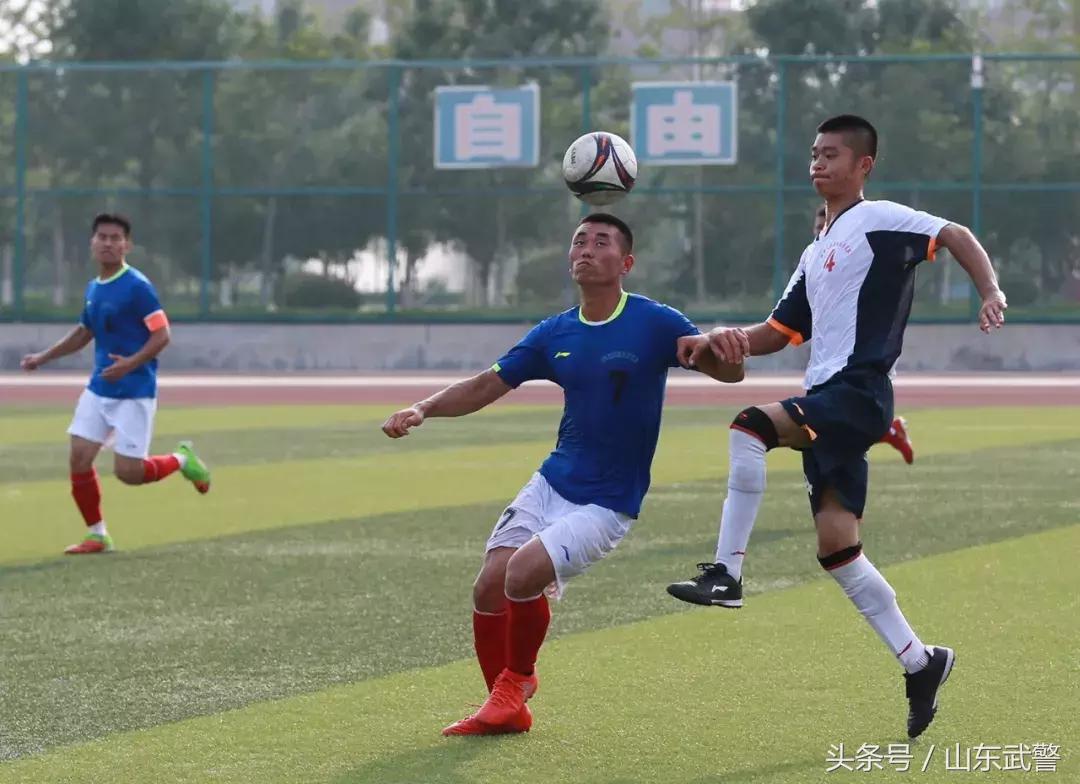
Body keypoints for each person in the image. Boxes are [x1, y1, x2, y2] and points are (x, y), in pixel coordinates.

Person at [666, 115, 1007, 739]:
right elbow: (776, 333)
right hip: (829, 398)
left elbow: (954, 233)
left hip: (859, 392)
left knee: (748, 427)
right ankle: (921, 661)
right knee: (837, 546)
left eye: (832, 155)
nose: (818, 164)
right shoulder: (814, 250)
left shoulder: (878, 219)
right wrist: (726, 340)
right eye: (814, 154)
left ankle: (726, 573)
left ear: (863, 166)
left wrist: (989, 289)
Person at [381, 212, 742, 736]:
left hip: (608, 500)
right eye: (579, 241)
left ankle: (518, 681)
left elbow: (726, 371)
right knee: (488, 587)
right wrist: (423, 408)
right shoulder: (556, 332)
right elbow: (487, 384)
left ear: (626, 262)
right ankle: (504, 706)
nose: (586, 249)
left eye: (601, 242)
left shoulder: (654, 321)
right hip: (554, 481)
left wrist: (721, 348)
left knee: (522, 575)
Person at [20, 213, 212, 555]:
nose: (108, 243)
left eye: (115, 238)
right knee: (79, 457)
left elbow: (162, 333)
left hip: (134, 390)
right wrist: (42, 358)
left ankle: (183, 459)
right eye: (102, 237)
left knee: (129, 474)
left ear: (127, 245)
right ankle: (98, 534)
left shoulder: (137, 286)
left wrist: (130, 365)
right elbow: (84, 333)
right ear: (92, 243)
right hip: (99, 388)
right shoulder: (94, 287)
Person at [814, 204, 915, 464]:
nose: (821, 232)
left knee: (810, 427)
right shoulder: (813, 261)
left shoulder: (861, 254)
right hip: (826, 362)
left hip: (859, 365)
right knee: (827, 428)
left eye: (826, 226)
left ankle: (888, 429)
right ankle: (890, 431)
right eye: (818, 227)